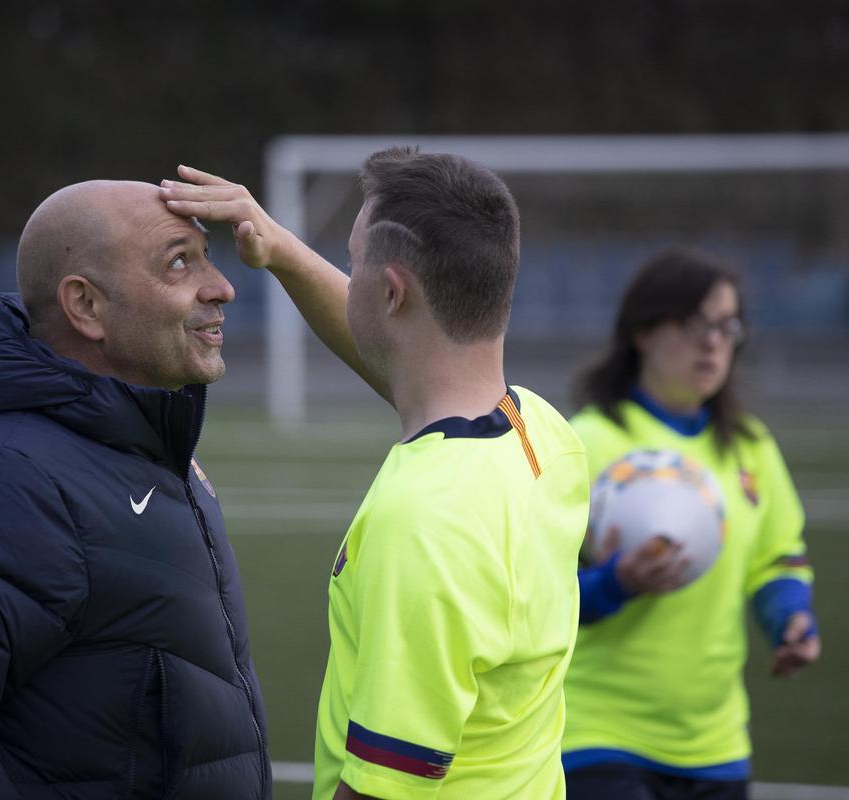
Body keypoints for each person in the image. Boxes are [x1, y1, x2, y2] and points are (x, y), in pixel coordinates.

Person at [160, 148, 590, 799]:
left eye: (355, 261)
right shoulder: (543, 434)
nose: (348, 275)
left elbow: (381, 788)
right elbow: (408, 360)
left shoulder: (423, 521)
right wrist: (279, 249)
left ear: (391, 292)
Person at [0, 180, 270, 799]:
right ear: (86, 306)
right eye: (180, 261)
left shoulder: (148, 446)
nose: (221, 286)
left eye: (205, 256)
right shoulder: (8, 473)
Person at [562, 247, 820, 800]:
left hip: (717, 748)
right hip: (599, 736)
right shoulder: (583, 441)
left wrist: (790, 619)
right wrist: (615, 585)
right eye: (692, 324)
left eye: (727, 326)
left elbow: (778, 558)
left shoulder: (751, 449)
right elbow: (532, 594)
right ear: (643, 331)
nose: (712, 342)